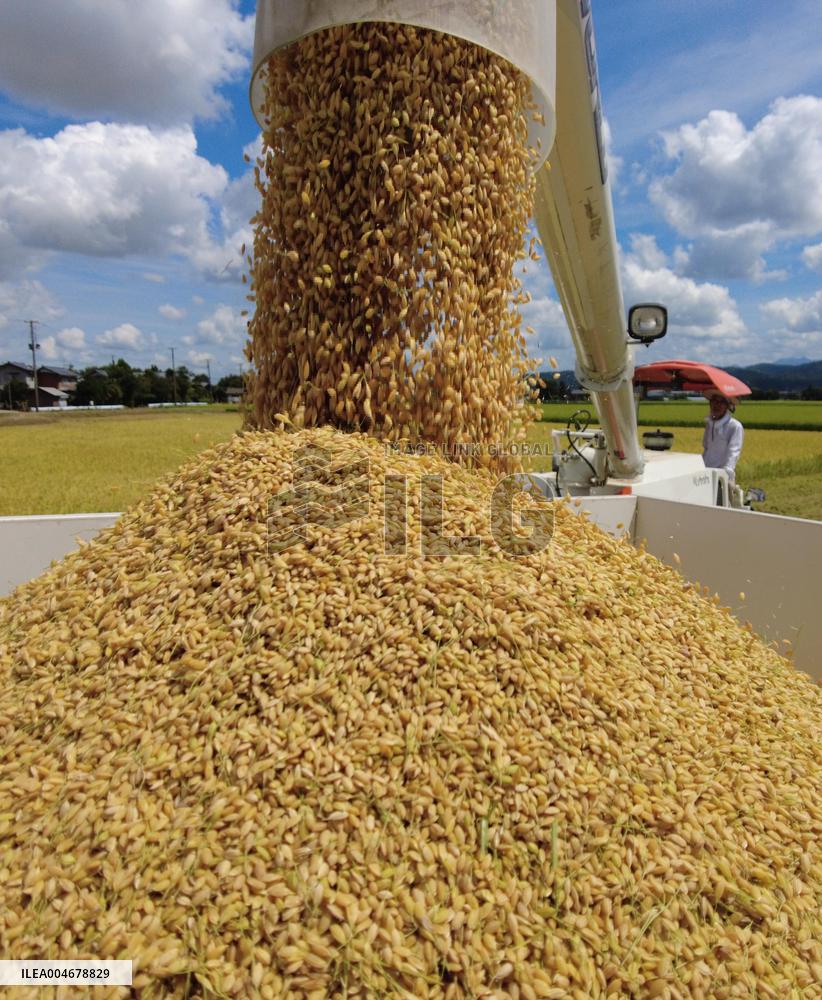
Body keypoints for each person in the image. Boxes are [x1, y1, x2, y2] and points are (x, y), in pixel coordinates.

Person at [702, 391, 743, 485]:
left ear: (727, 406)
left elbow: (733, 453)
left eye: (721, 402)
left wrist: (725, 477)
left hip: (722, 477)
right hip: (705, 475)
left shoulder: (735, 426)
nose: (717, 405)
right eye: (714, 401)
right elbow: (706, 448)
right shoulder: (709, 424)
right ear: (710, 403)